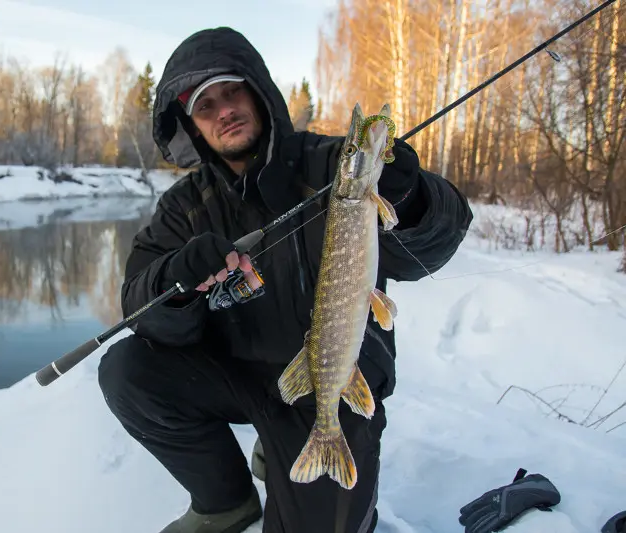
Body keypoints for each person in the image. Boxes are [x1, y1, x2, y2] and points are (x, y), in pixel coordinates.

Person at [98, 26, 473, 533]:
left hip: (336, 381)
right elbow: (139, 305)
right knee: (127, 369)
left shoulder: (333, 164)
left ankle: (286, 448)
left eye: (232, 90)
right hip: (238, 378)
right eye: (205, 105)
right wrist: (177, 279)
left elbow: (432, 248)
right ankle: (225, 501)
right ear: (191, 125)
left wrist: (410, 197)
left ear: (258, 93)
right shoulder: (183, 208)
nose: (223, 110)